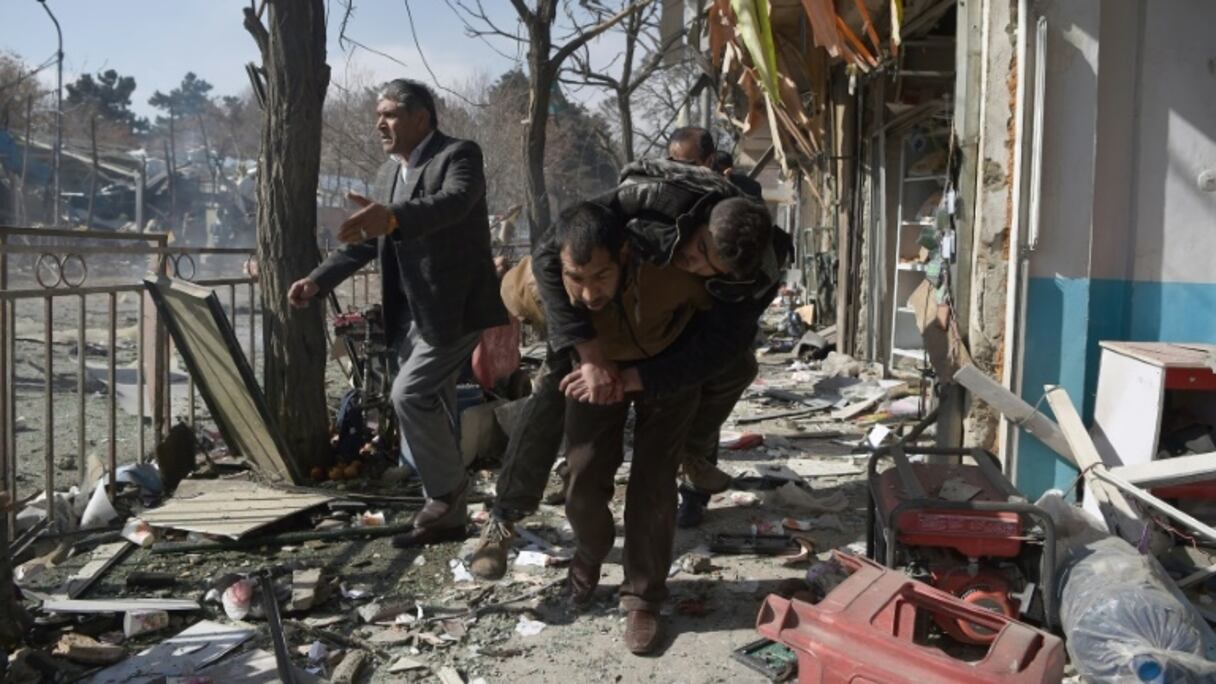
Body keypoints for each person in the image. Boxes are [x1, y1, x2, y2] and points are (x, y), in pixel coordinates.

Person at [287, 79, 507, 548]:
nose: (378, 124)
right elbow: (367, 242)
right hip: (408, 314)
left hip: (455, 309)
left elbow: (452, 204)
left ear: (421, 117)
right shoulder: (388, 176)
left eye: (388, 114)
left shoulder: (458, 156)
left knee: (409, 395)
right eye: (377, 115)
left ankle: (447, 494)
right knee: (437, 406)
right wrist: (317, 281)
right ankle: (449, 521)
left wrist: (394, 217)